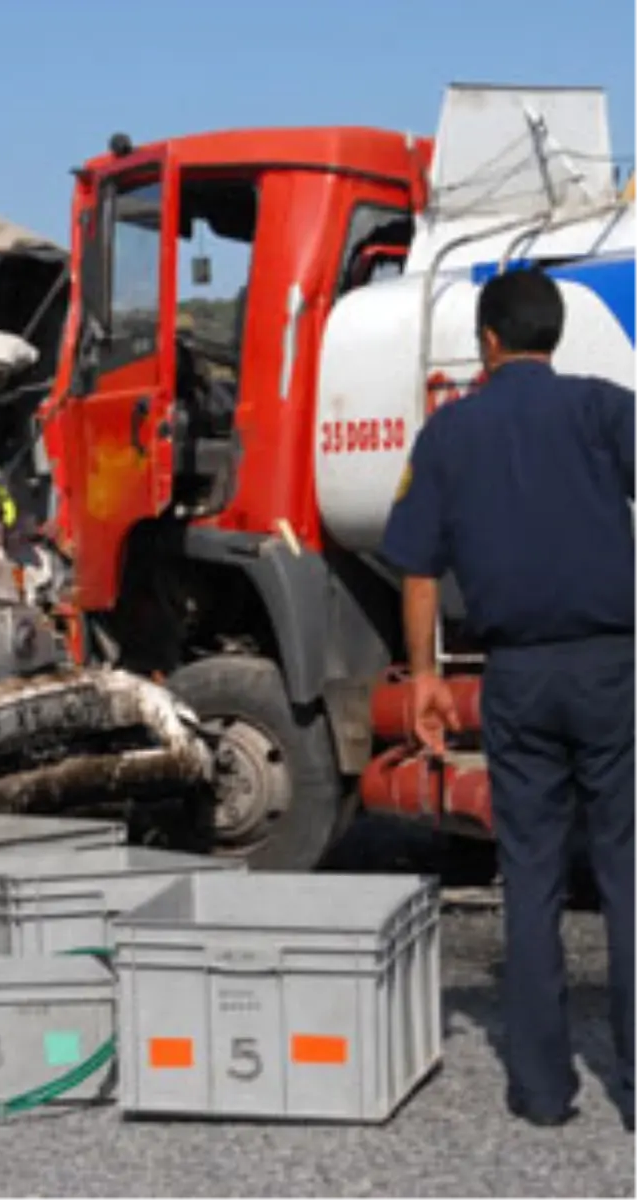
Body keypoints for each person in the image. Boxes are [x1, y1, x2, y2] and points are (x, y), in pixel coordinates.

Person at [380, 265, 637, 1131]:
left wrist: (423, 679)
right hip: (612, 669)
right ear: (553, 336)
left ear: (488, 342)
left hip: (517, 677)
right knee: (627, 867)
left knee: (529, 877)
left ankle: (541, 1091)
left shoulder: (450, 435)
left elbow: (418, 570)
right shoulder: (606, 411)